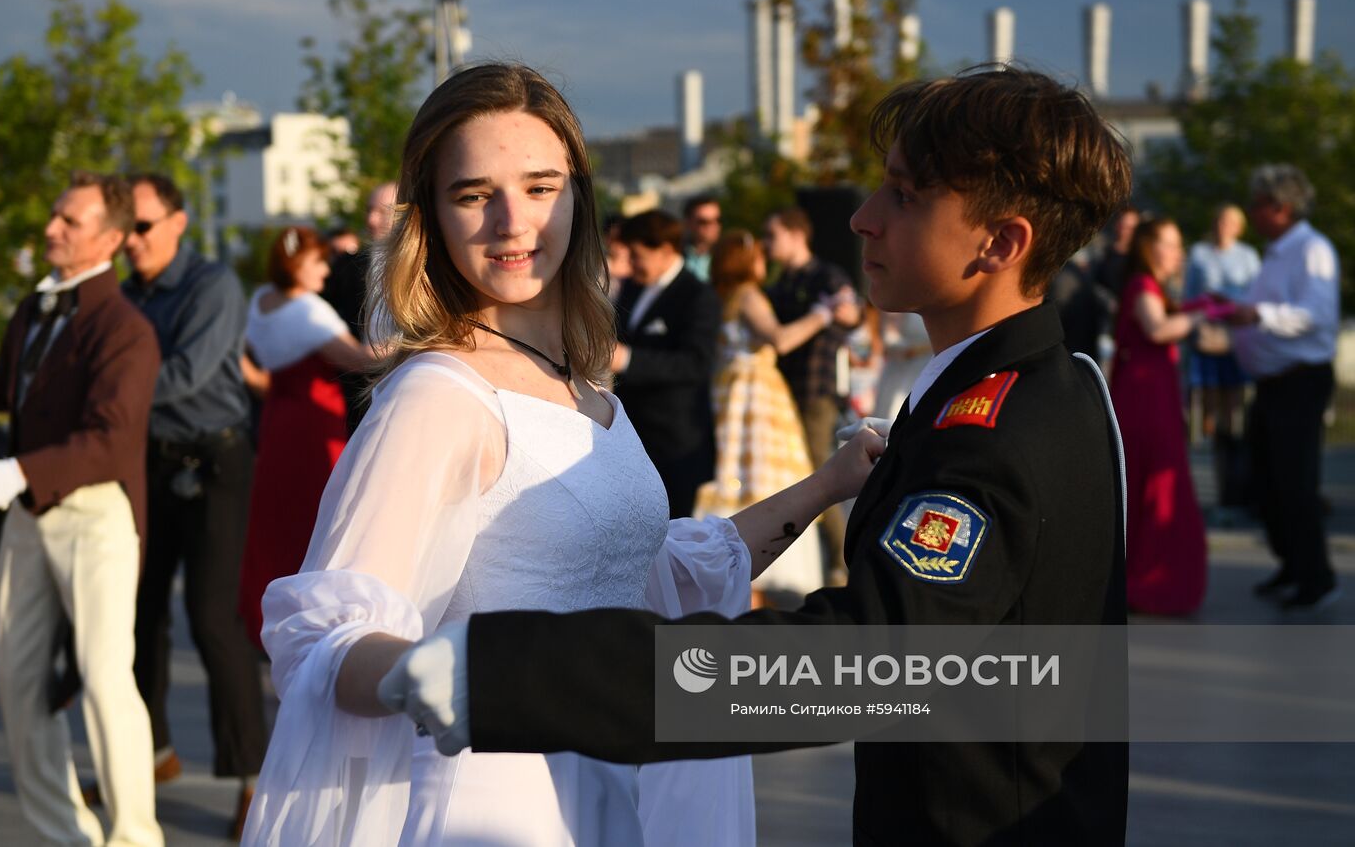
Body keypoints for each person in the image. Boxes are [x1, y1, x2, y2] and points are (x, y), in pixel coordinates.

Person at [398, 66, 1135, 847]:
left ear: (1000, 242)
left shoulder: (995, 434)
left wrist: (512, 673)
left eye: (906, 196)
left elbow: (855, 666)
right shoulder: (1033, 388)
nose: (863, 218)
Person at [240, 62, 882, 846]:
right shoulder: (437, 395)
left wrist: (832, 482)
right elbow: (324, 639)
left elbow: (660, 574)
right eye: (474, 194)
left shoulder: (584, 387)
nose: (513, 221)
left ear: (579, 195)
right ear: (431, 217)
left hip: (610, 788)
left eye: (540, 186)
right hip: (489, 803)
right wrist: (471, 670)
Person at [0, 172, 164, 847]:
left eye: (69, 221)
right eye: (54, 215)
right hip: (29, 515)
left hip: (97, 515)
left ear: (108, 237)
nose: (51, 228)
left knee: (105, 677)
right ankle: (66, 836)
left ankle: (135, 837)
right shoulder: (33, 309)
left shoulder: (126, 328)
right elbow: (1, 383)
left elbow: (109, 440)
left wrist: (11, 470)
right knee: (17, 683)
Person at [120, 172, 266, 835]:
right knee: (137, 612)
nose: (130, 240)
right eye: (121, 228)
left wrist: (104, 392)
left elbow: (187, 374)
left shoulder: (212, 285)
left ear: (178, 222)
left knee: (212, 618)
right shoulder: (125, 294)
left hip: (217, 462)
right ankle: (151, 753)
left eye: (142, 225)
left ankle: (252, 777)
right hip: (151, 463)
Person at [695, 230, 858, 600]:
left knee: (734, 478)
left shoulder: (720, 298)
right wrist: (822, 314)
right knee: (768, 479)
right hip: (757, 397)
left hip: (727, 396)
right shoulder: (750, 295)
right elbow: (779, 339)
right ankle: (771, 579)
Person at [236, 226, 372, 648]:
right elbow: (361, 359)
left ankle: (268, 612)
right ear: (298, 264)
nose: (325, 270)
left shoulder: (260, 302)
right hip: (316, 426)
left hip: (277, 420)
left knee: (278, 518)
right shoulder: (308, 311)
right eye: (317, 262)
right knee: (321, 519)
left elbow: (245, 363)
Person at [1228, 164, 1341, 610]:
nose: (1252, 213)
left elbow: (1316, 315)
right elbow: (1268, 308)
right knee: (1269, 480)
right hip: (1276, 382)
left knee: (1295, 482)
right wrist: (1238, 309)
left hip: (1300, 380)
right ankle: (1293, 565)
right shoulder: (1278, 251)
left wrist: (1258, 317)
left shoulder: (1311, 249)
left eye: (1258, 205)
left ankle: (1317, 577)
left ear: (1282, 208)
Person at [1110, 216, 1207, 616]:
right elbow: (1158, 329)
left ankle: (1152, 577)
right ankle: (1150, 580)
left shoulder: (1150, 288)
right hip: (1144, 403)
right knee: (1153, 485)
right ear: (1152, 248)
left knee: (1154, 484)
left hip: (1154, 397)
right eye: (1173, 244)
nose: (1179, 253)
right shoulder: (1143, 286)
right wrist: (1200, 317)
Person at [764, 206, 861, 583]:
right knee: (802, 477)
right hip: (784, 395)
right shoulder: (780, 283)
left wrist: (838, 309)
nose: (768, 244)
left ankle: (844, 562)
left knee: (821, 477)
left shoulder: (826, 275)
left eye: (773, 235)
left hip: (817, 393)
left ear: (796, 234)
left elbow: (851, 313)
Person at [612, 209, 721, 518]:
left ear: (665, 250)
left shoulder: (698, 296)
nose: (630, 264)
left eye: (636, 255)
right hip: (633, 436)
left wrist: (628, 359)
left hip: (675, 444)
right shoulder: (632, 288)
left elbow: (696, 363)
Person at [1183, 203, 1262, 511]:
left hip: (1236, 338)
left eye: (1231, 221)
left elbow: (1256, 295)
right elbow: (1189, 296)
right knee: (1208, 407)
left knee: (1235, 407)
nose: (1224, 226)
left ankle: (1234, 471)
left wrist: (1230, 302)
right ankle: (1215, 464)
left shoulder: (1248, 256)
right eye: (1221, 220)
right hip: (1207, 338)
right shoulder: (1200, 254)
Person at [323, 181, 399, 433]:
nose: (372, 220)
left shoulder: (429, 266)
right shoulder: (350, 266)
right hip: (359, 386)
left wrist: (398, 348)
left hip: (406, 377)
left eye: (382, 212)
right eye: (369, 211)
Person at [681, 193, 721, 282]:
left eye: (717, 220)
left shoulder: (728, 256)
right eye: (704, 222)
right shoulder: (674, 255)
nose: (713, 226)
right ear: (688, 223)